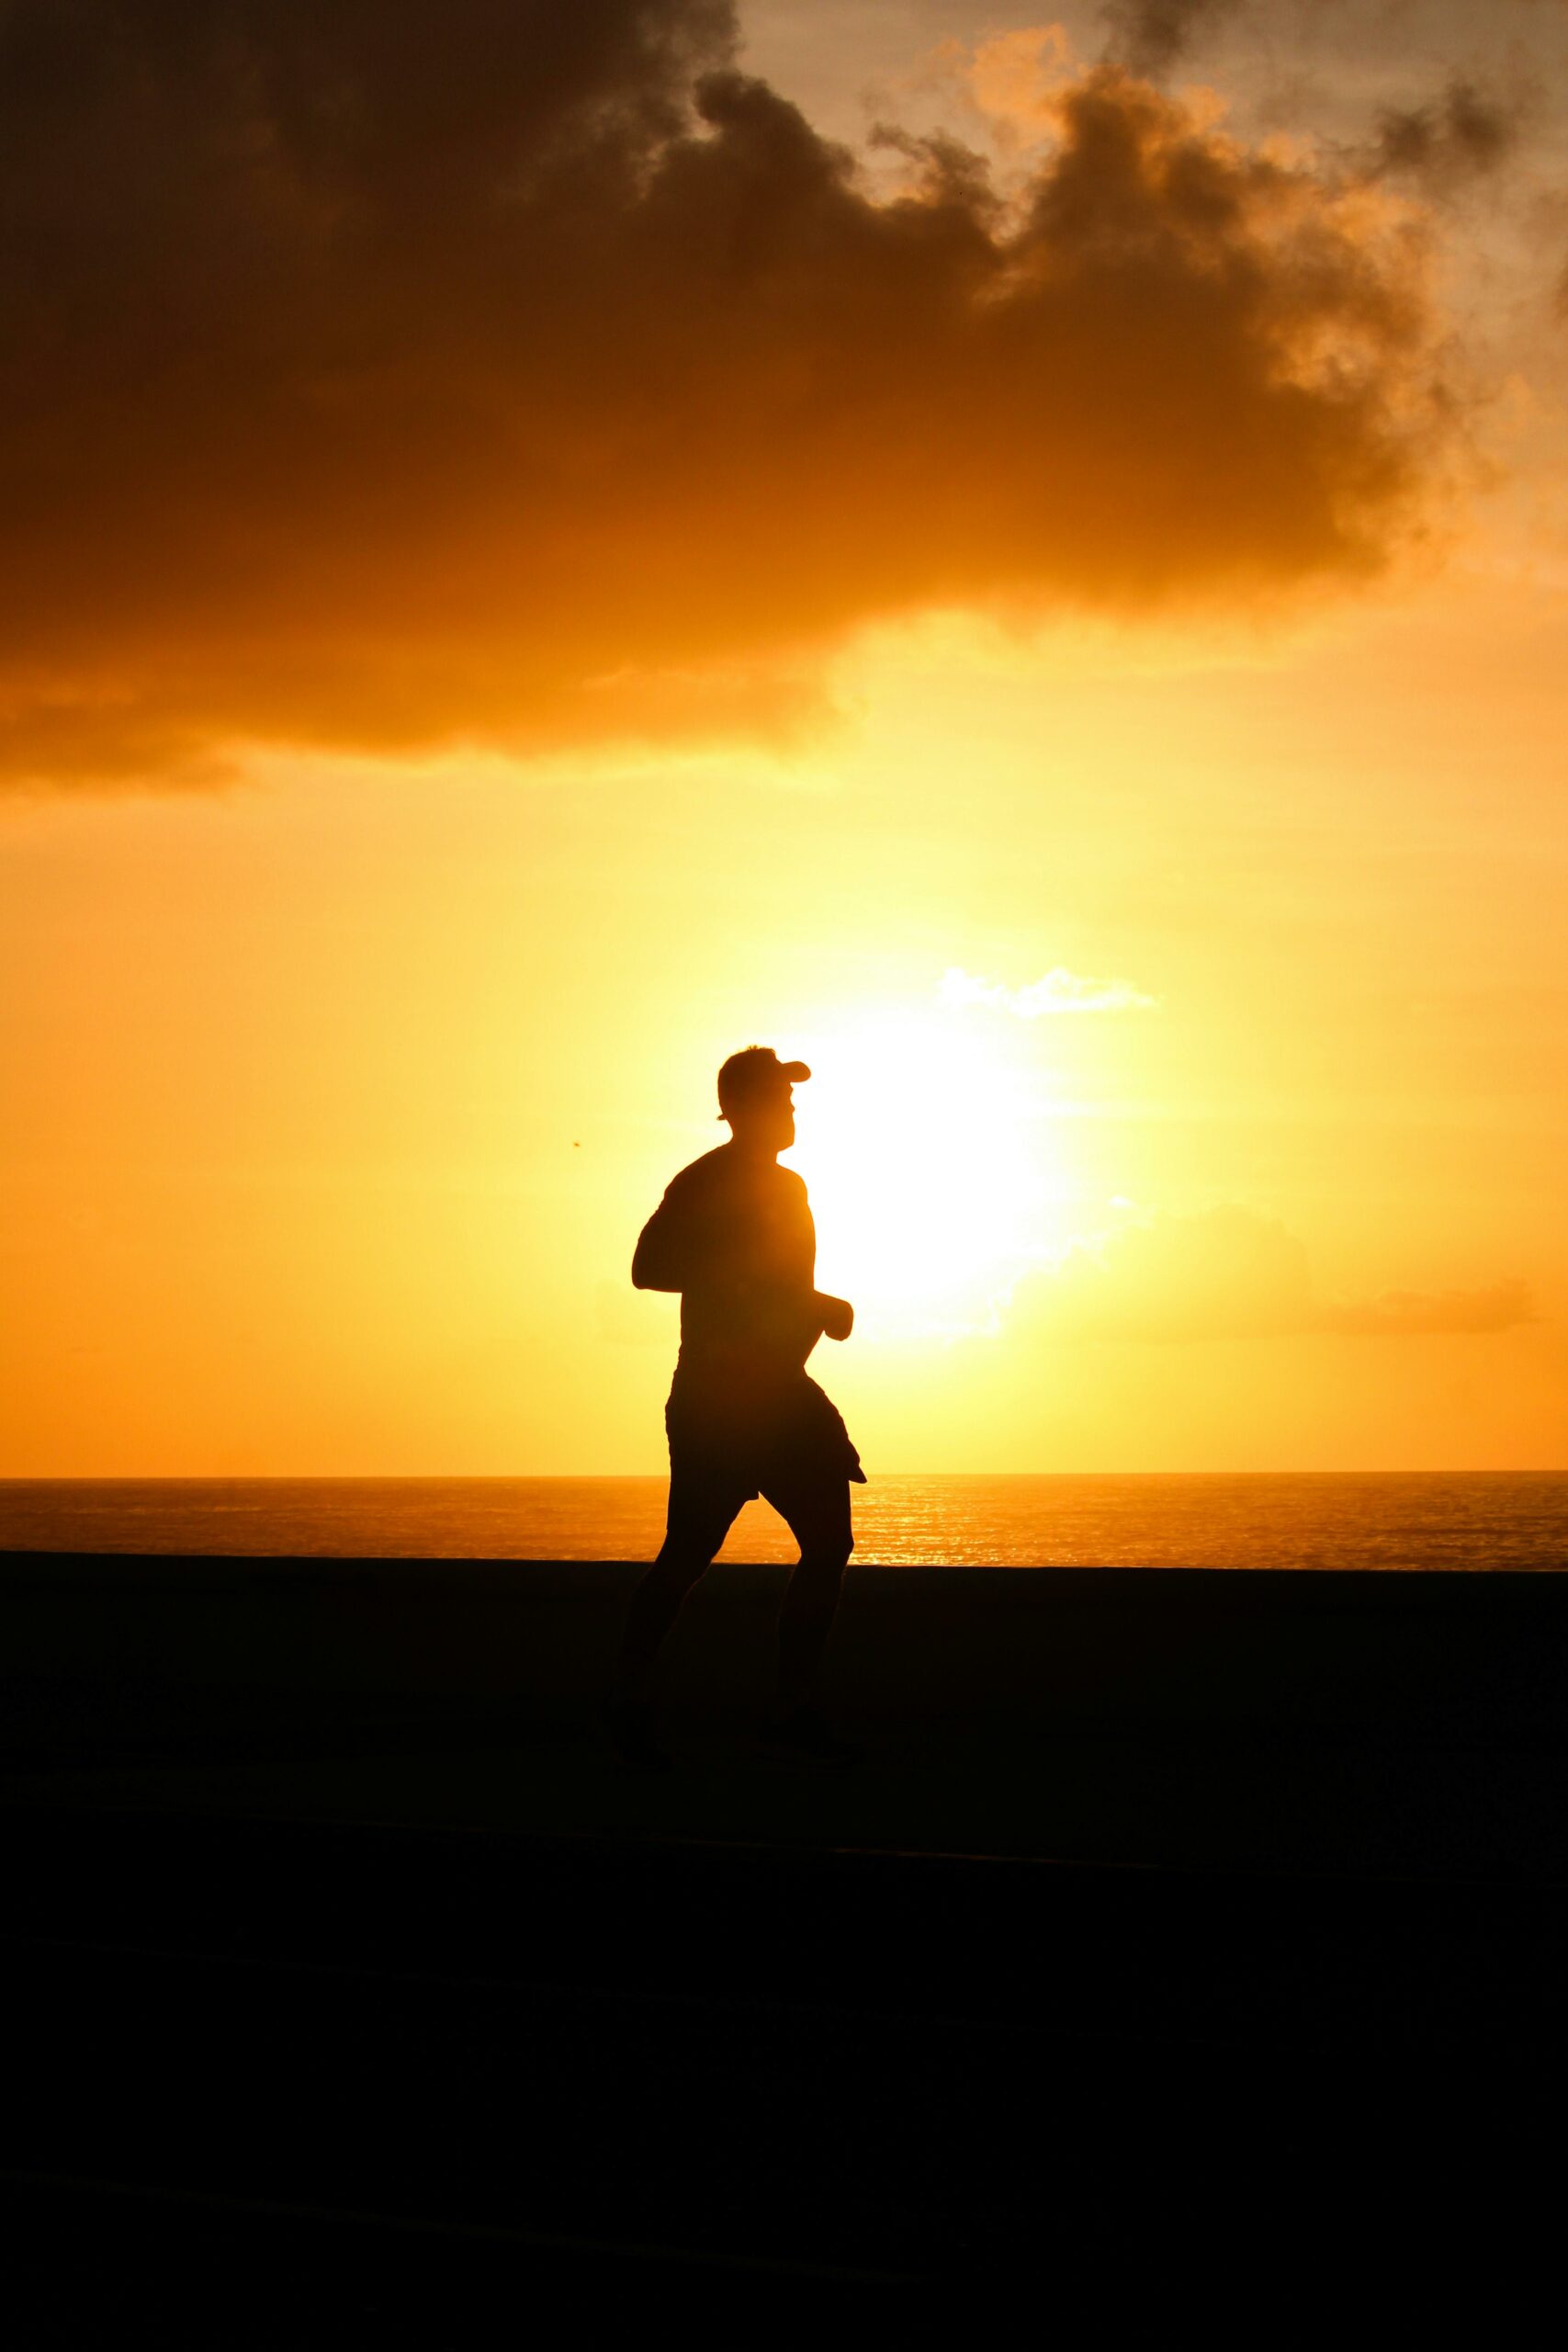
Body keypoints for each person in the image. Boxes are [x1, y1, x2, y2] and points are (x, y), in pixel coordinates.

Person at [606, 1046, 864, 1769]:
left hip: (782, 1395)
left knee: (829, 1544)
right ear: (743, 1108)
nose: (791, 1110)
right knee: (687, 1555)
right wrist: (770, 1291)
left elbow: (783, 1289)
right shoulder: (705, 1181)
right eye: (780, 1100)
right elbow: (646, 1269)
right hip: (717, 1401)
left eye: (791, 1099)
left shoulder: (790, 1188)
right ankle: (625, 1697)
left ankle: (792, 1708)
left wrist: (814, 1308)